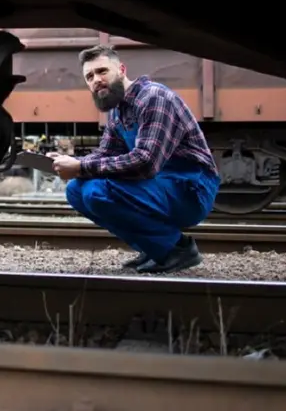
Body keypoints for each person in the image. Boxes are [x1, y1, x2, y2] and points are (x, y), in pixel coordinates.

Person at [47, 45, 220, 273]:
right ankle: (155, 248)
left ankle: (176, 249)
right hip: (160, 184)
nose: (96, 80)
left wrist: (80, 166)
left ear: (121, 69)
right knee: (76, 190)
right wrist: (70, 161)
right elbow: (104, 155)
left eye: (102, 71)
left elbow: (146, 162)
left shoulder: (153, 98)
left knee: (95, 191)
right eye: (89, 76)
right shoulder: (117, 112)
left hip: (190, 188)